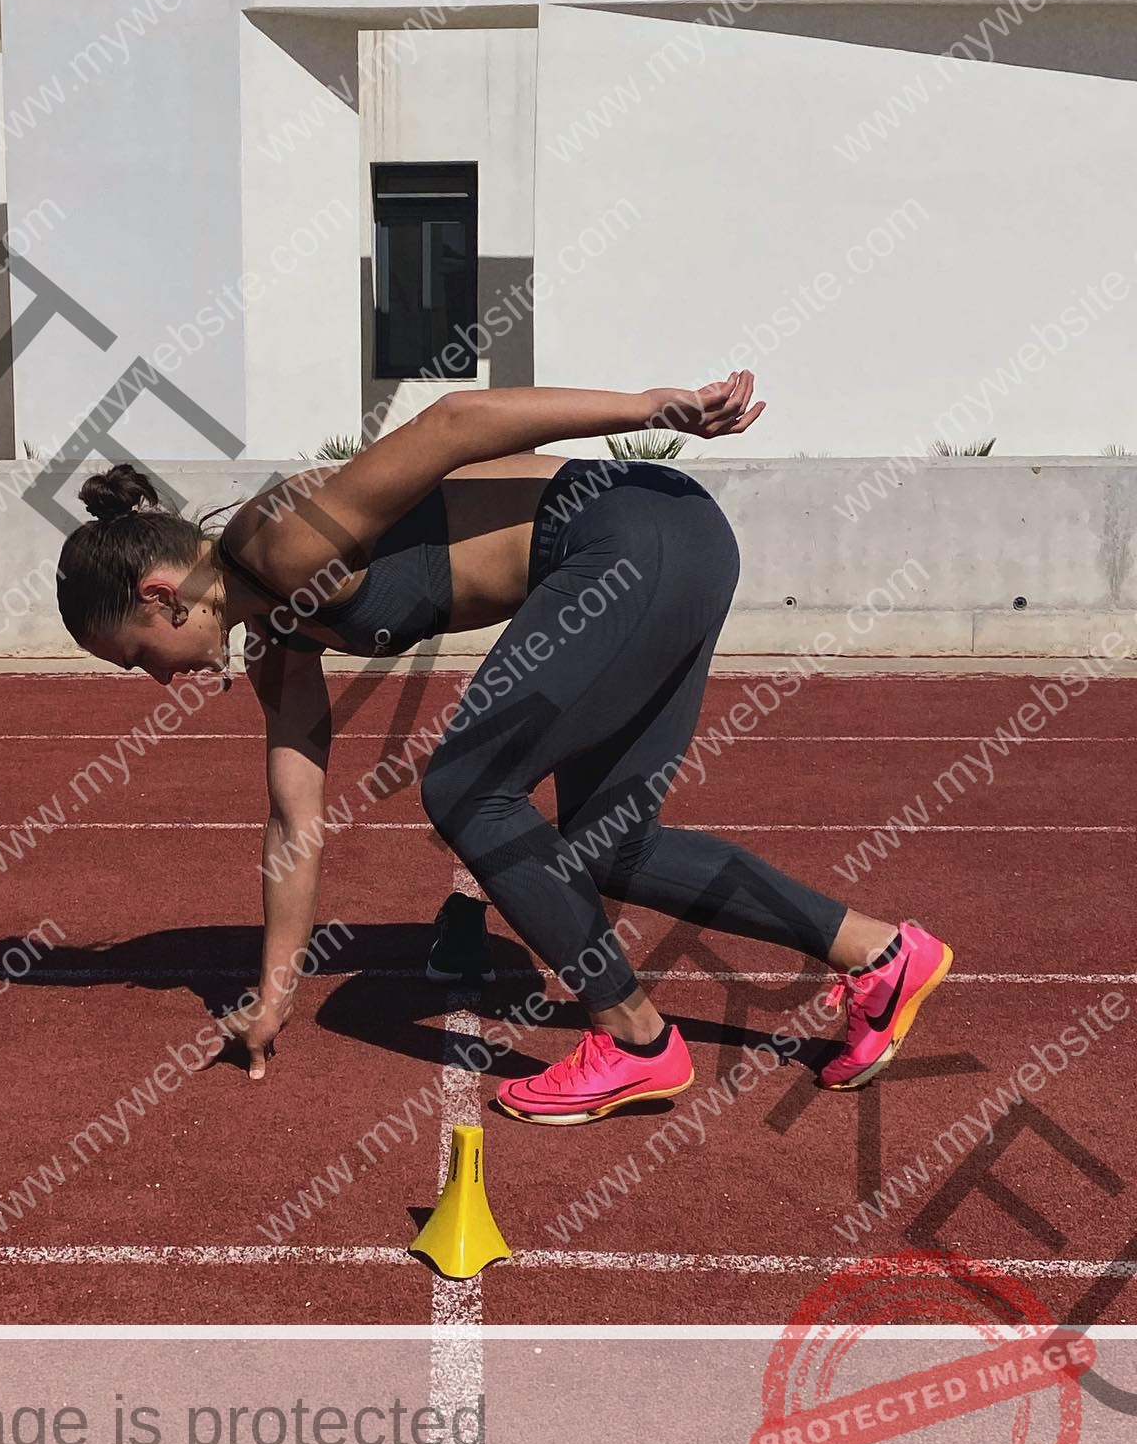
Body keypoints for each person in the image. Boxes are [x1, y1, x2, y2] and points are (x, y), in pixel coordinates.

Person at [54, 372, 952, 1122]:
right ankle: (880, 955)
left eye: (139, 657)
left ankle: (636, 1041)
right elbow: (295, 820)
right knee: (613, 845)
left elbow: (454, 423)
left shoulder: (279, 541)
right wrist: (274, 995)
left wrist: (650, 410)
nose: (156, 681)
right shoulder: (279, 640)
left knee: (466, 787)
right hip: (674, 541)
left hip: (628, 535)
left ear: (163, 595)